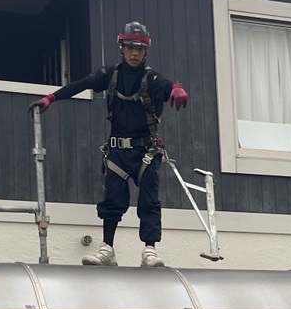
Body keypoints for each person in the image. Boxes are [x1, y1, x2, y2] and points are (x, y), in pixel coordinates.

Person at [33, 22, 188, 268]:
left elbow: (170, 86)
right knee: (112, 201)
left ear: (145, 51)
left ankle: (149, 250)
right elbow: (82, 84)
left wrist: (178, 89)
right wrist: (52, 97)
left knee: (149, 201)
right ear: (121, 48)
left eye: (140, 49)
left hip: (146, 151)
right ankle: (107, 249)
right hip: (117, 151)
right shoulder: (110, 75)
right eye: (130, 48)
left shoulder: (151, 78)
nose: (134, 53)